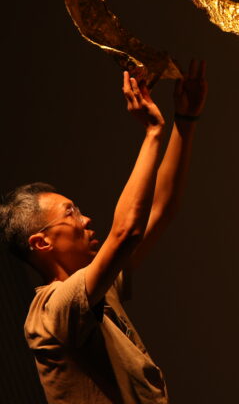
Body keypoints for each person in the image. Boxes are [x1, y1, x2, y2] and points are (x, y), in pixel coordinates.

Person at [0, 61, 207, 404]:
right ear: (41, 242)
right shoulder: (51, 310)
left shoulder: (99, 289)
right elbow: (125, 232)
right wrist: (152, 132)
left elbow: (159, 210)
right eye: (71, 213)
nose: (86, 220)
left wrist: (185, 121)